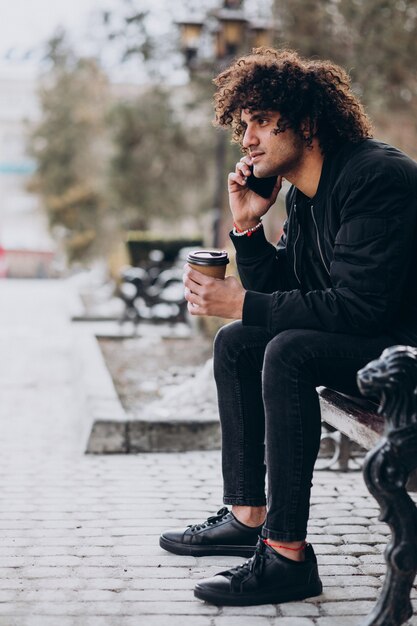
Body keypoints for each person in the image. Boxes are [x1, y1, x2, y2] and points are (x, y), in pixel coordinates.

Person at [159, 47, 417, 607]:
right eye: (243, 124)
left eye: (259, 122)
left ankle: (287, 555)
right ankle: (249, 513)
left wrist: (241, 300)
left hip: (405, 354)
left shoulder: (377, 177)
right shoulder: (305, 195)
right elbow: (290, 292)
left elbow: (360, 307)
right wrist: (249, 228)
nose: (247, 139)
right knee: (238, 342)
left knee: (289, 350)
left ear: (306, 122)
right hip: (372, 344)